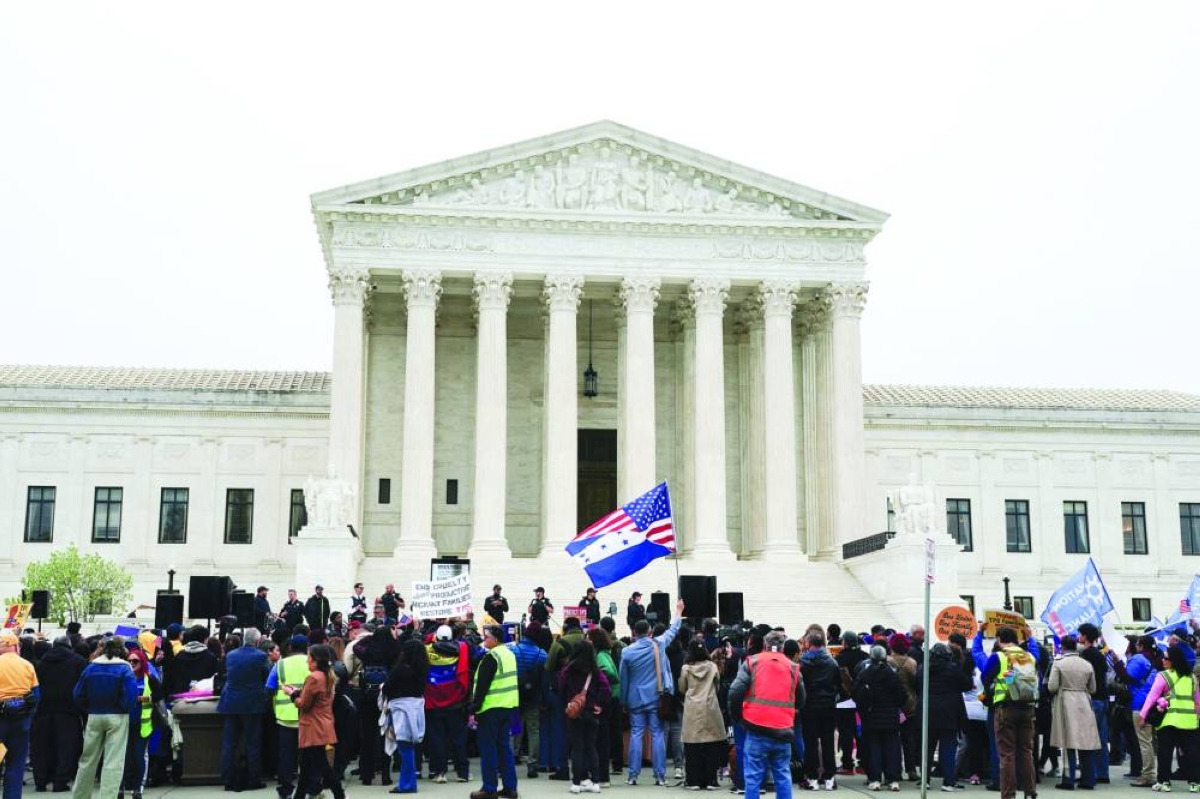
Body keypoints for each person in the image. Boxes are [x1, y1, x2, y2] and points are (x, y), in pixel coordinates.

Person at [729, 630, 805, 799]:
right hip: (783, 729)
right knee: (783, 775)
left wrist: (737, 717)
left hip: (756, 728)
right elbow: (801, 699)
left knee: (753, 777)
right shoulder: (793, 667)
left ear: (764, 645)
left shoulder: (752, 663)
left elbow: (734, 692)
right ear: (783, 647)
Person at [619, 597, 685, 787]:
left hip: (635, 698)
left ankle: (633, 775)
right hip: (656, 697)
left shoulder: (627, 652)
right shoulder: (659, 643)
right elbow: (673, 630)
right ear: (649, 631)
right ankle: (660, 775)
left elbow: (624, 679)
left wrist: (623, 701)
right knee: (657, 734)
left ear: (633, 633)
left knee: (636, 734)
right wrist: (679, 610)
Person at [73, 636, 139, 799]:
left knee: (87, 760)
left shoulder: (91, 668)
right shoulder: (125, 669)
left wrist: (89, 708)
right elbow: (131, 696)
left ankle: (80, 795)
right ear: (122, 650)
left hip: (94, 715)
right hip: (117, 716)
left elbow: (77, 694)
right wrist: (124, 708)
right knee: (113, 761)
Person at [283, 644, 345, 799]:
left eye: (309, 658)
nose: (307, 662)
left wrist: (292, 695)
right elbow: (314, 698)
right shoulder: (326, 676)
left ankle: (340, 794)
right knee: (307, 766)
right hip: (322, 724)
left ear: (316, 661)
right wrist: (297, 693)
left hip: (312, 727)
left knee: (320, 766)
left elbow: (303, 703)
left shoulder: (313, 677)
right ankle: (301, 795)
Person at [1139, 644, 1199, 792]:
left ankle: (1164, 782)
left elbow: (1152, 697)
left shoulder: (1163, 676)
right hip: (1188, 722)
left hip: (1168, 721)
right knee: (1191, 752)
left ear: (1173, 660)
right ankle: (1194, 783)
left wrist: (1143, 715)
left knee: (1165, 752)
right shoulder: (1191, 677)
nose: (1163, 660)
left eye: (1166, 658)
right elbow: (1197, 700)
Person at [469, 625, 520, 799]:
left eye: (487, 637)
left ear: (495, 639)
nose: (485, 640)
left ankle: (489, 788)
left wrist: (473, 709)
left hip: (490, 708)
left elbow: (482, 687)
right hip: (507, 707)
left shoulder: (491, 657)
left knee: (488, 749)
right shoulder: (509, 654)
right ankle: (510, 787)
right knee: (504, 748)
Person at [218, 629, 271, 791]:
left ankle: (227, 778)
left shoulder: (231, 655)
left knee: (229, 743)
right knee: (252, 743)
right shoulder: (261, 656)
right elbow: (267, 677)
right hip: (252, 705)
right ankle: (253, 778)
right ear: (257, 642)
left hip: (231, 703)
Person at [989, 627, 1038, 799]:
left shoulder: (999, 656)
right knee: (1026, 751)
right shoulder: (1029, 656)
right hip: (1028, 706)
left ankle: (1009, 794)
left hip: (1006, 707)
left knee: (1007, 753)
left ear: (999, 639)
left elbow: (985, 678)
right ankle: (1030, 791)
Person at [558, 640, 612, 793]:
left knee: (577, 748)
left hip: (574, 713)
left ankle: (576, 783)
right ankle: (595, 782)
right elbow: (606, 689)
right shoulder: (595, 671)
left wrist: (568, 704)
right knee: (591, 747)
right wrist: (600, 705)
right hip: (591, 712)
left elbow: (561, 690)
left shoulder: (567, 670)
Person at [31, 635, 84, 792]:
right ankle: (60, 781)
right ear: (69, 645)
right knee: (66, 747)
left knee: (42, 747)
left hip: (43, 711)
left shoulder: (40, 664)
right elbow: (82, 687)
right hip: (68, 711)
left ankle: (40, 781)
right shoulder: (78, 662)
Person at [917, 642, 973, 791]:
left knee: (927, 748)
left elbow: (917, 685)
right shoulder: (953, 669)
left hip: (927, 713)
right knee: (948, 748)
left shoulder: (924, 668)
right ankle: (948, 782)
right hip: (949, 713)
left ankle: (925, 780)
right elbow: (967, 685)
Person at [1047, 636, 1100, 790]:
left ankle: (1068, 779)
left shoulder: (1059, 663)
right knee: (1086, 741)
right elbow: (1093, 689)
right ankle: (1088, 779)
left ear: (1062, 647)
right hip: (1084, 700)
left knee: (1068, 740)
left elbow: (1052, 686)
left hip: (1065, 701)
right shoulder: (1086, 664)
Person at [853, 645, 907, 791]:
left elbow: (856, 693)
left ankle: (874, 779)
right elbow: (902, 695)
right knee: (892, 748)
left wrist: (864, 708)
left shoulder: (865, 673)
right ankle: (893, 779)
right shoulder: (892, 673)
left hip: (871, 717)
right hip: (890, 717)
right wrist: (894, 705)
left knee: (873, 749)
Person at [425, 624, 472, 784]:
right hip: (456, 702)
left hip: (433, 703)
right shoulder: (462, 650)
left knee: (438, 739)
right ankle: (462, 773)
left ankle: (440, 773)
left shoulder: (427, 650)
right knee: (459, 739)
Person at [353, 625, 401, 786]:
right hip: (385, 696)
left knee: (367, 737)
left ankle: (367, 775)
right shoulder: (393, 651)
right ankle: (385, 775)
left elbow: (355, 647)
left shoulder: (367, 651)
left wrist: (369, 637)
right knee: (385, 735)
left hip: (367, 695)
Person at [679, 639, 727, 790]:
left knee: (692, 745)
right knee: (711, 743)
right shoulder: (713, 667)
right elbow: (717, 686)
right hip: (710, 706)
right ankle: (711, 780)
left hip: (692, 707)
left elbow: (682, 688)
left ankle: (693, 780)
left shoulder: (686, 668)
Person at [383, 638, 429, 794]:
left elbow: (387, 687)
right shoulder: (422, 669)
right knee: (410, 747)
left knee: (405, 748)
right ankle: (409, 782)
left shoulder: (400, 668)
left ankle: (407, 784)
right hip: (416, 708)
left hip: (401, 710)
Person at [267, 635, 310, 799]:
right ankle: (312, 786)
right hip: (307, 715)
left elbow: (269, 686)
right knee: (309, 755)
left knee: (286, 755)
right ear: (307, 647)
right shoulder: (312, 662)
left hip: (285, 716)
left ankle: (285, 789)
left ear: (290, 648)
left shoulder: (280, 664)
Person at [0, 629, 39, 799]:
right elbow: (36, 695)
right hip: (21, 722)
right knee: (15, 765)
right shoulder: (27, 665)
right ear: (14, 645)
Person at [799, 631, 840, 790]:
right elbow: (837, 684)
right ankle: (829, 778)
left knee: (810, 743)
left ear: (809, 644)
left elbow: (800, 686)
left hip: (809, 706)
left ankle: (812, 778)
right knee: (828, 742)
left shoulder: (803, 663)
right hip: (828, 706)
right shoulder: (831, 663)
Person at [122, 647, 165, 799]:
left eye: (135, 661)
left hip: (143, 723)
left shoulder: (149, 678)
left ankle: (138, 787)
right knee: (125, 756)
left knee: (139, 755)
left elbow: (158, 697)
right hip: (125, 723)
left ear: (142, 662)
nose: (132, 663)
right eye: (129, 661)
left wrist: (141, 699)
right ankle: (123, 785)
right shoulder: (124, 677)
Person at [1074, 623, 1110, 786]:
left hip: (1092, 699)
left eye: (1080, 634)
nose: (1078, 637)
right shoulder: (1099, 655)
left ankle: (1091, 772)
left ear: (1086, 636)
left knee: (1088, 737)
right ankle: (1103, 772)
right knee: (1101, 738)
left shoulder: (1086, 655)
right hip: (1103, 698)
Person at [511, 622, 548, 779]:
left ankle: (513, 756)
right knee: (533, 730)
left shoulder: (513, 651)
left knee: (515, 727)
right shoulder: (542, 654)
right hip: (533, 695)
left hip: (515, 694)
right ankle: (532, 764)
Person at [1124, 635, 1160, 788]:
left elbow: (1127, 678)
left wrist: (1118, 663)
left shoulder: (1138, 659)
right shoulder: (1156, 660)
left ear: (1140, 646)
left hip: (1140, 705)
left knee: (1144, 743)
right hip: (1153, 704)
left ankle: (1148, 775)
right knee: (1150, 742)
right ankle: (1151, 773)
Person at [587, 628, 620, 787]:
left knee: (601, 740)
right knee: (604, 739)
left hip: (606, 701)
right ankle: (603, 776)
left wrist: (599, 682)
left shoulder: (600, 656)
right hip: (612, 699)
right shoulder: (606, 654)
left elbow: (609, 674)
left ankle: (602, 776)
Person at [834, 631, 868, 775]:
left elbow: (836, 680)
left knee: (846, 732)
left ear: (845, 643)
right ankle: (863, 764)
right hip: (862, 701)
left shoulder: (839, 658)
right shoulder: (866, 657)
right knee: (862, 732)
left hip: (844, 701)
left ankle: (847, 764)